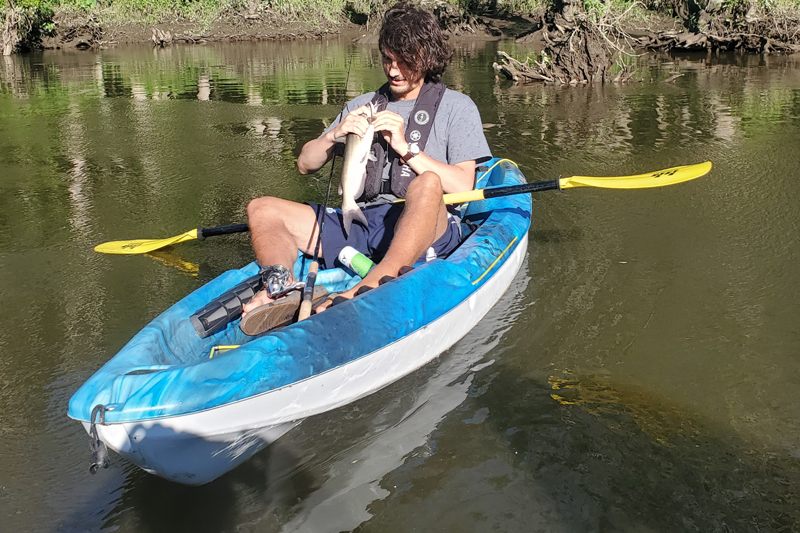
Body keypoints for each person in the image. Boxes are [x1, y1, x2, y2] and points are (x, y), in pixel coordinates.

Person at [241, 1, 491, 326]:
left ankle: (375, 282)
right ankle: (279, 284)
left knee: (427, 183)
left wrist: (405, 148)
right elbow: (304, 164)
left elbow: (462, 186)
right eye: (388, 59)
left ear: (428, 59)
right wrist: (334, 136)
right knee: (262, 209)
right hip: (359, 223)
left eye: (405, 61)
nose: (393, 70)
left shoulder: (458, 107)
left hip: (424, 225)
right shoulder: (362, 106)